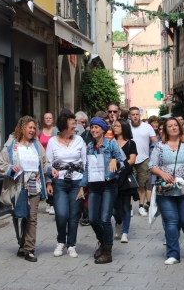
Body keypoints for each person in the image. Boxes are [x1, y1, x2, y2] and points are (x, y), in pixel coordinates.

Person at [0, 116, 55, 262]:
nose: (32, 130)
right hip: (17, 187)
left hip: (34, 185)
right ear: (22, 128)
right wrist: (11, 168)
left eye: (34, 128)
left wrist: (50, 170)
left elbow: (45, 162)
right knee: (18, 216)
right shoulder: (11, 144)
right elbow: (1, 163)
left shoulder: (37, 145)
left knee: (31, 218)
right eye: (29, 127)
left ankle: (29, 249)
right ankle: (21, 243)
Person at [150, 117, 184, 264]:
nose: (173, 127)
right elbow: (152, 165)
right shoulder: (159, 146)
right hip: (166, 190)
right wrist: (162, 174)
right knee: (170, 221)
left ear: (180, 127)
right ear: (165, 129)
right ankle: (173, 253)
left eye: (176, 125)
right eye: (170, 126)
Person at [77, 117, 125, 264]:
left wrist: (115, 161)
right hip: (95, 186)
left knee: (105, 219)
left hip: (109, 185)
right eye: (92, 127)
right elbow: (87, 168)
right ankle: (103, 242)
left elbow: (123, 162)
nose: (94, 130)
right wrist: (82, 186)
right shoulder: (90, 146)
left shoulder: (111, 144)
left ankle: (107, 252)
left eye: (97, 127)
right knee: (92, 219)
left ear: (103, 130)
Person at [45, 112, 87, 258]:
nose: (75, 126)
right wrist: (48, 182)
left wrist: (84, 184)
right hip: (60, 182)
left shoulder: (79, 140)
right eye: (72, 123)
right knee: (62, 214)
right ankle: (61, 241)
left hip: (77, 181)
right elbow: (48, 163)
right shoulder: (52, 142)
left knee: (74, 215)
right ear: (64, 125)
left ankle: (71, 245)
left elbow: (85, 162)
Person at [112, 119, 138, 243]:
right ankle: (119, 221)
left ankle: (125, 232)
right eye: (114, 126)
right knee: (114, 208)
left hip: (126, 177)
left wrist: (119, 165)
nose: (115, 127)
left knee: (126, 207)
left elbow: (132, 160)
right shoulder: (110, 142)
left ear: (124, 127)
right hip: (112, 178)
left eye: (118, 125)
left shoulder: (130, 143)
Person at [129, 106, 158, 216]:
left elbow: (155, 141)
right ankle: (130, 207)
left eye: (137, 114)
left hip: (144, 159)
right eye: (133, 114)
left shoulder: (147, 127)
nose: (135, 116)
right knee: (130, 185)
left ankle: (141, 206)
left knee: (142, 184)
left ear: (139, 115)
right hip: (130, 159)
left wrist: (155, 156)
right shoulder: (127, 127)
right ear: (130, 115)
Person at [39, 112, 59, 215]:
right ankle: (48, 201)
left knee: (52, 179)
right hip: (43, 159)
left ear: (53, 119)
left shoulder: (56, 131)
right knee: (46, 180)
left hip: (53, 159)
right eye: (46, 118)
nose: (48, 119)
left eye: (50, 118)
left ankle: (52, 203)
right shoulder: (40, 132)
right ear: (43, 120)